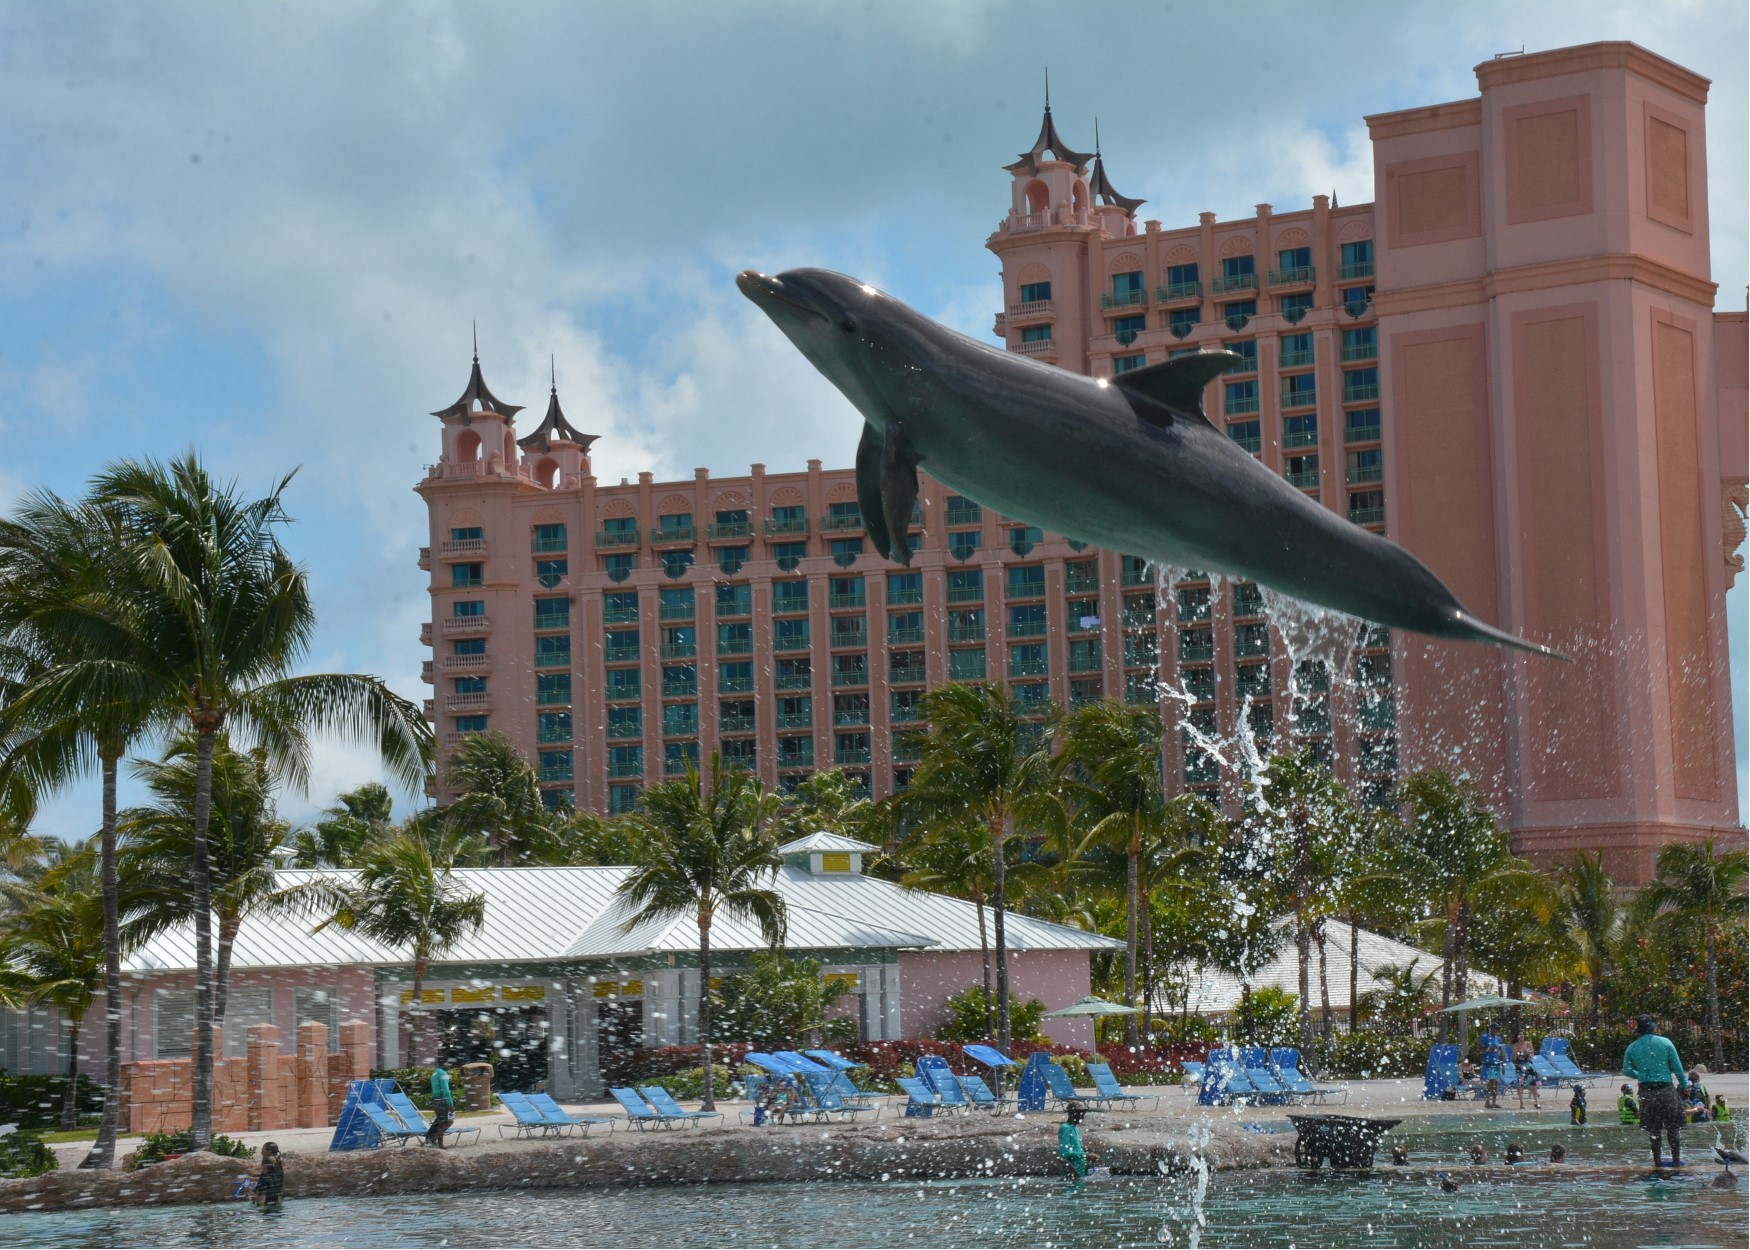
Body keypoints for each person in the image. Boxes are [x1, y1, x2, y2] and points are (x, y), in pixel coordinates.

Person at [1622, 1013, 1686, 1168]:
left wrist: (1641, 1075)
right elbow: (1678, 1068)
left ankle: (1657, 1163)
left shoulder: (1632, 1047)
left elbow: (1626, 1070)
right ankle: (1676, 1161)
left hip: (1646, 1091)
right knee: (1673, 1129)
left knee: (1654, 1131)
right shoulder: (1665, 1043)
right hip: (1665, 1089)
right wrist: (1684, 1086)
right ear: (1653, 1027)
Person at [1058, 1102, 1101, 1179]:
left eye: (1083, 1113)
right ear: (1071, 1113)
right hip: (1071, 1175)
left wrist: (1088, 1159)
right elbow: (1064, 1153)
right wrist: (1086, 1155)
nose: (1082, 1116)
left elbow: (1078, 1151)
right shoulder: (1065, 1128)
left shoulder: (1076, 1129)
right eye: (1080, 1113)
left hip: (1080, 1174)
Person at [426, 1065, 455, 1148]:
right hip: (442, 1100)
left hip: (435, 1100)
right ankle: (432, 1137)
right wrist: (451, 1103)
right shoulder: (443, 1073)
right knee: (449, 1120)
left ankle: (439, 1143)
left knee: (441, 1121)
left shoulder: (435, 1073)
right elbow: (446, 1090)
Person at [1512, 1032, 1540, 1110]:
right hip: (1520, 1066)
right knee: (1521, 1084)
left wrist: (1527, 1054)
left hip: (1529, 1066)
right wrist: (1517, 1054)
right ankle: (1521, 1103)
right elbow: (1514, 1059)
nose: (1521, 1036)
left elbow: (1532, 1055)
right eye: (1520, 1034)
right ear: (1517, 1036)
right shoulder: (1515, 1045)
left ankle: (1536, 1102)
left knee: (1533, 1084)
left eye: (1522, 1034)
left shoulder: (1528, 1044)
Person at [253, 1142, 284, 1211]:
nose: (261, 1153)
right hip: (277, 1203)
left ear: (269, 1152)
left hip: (266, 1209)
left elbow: (261, 1201)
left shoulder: (265, 1178)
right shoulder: (278, 1165)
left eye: (263, 1150)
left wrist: (249, 1190)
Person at [1480, 1032, 1504, 1109]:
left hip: (1496, 1062)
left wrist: (1502, 1059)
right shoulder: (1485, 1037)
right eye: (1493, 1029)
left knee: (1495, 1082)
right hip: (1488, 1061)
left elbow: (1500, 1050)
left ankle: (1493, 1102)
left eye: (1496, 1029)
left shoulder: (1498, 1038)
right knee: (1491, 1081)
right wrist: (1488, 1049)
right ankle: (1487, 1101)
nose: (1495, 1030)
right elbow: (1480, 1048)